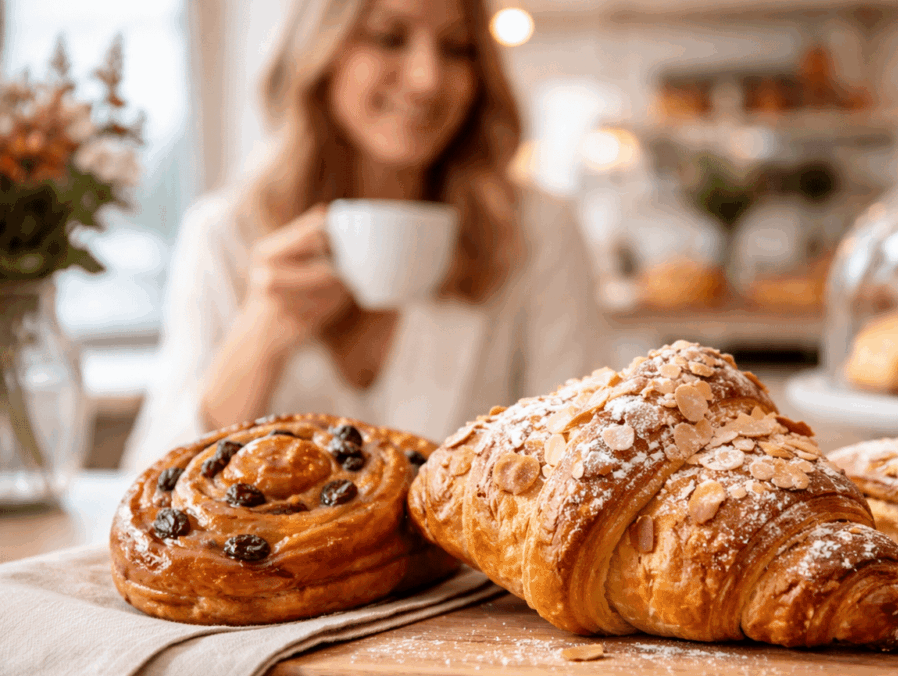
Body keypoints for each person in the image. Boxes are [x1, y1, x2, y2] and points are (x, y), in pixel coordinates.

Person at [122, 0, 608, 471]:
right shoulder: (226, 235)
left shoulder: (537, 232)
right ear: (320, 51)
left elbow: (580, 461)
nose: (427, 79)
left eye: (457, 48)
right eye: (388, 38)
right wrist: (263, 332)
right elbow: (149, 494)